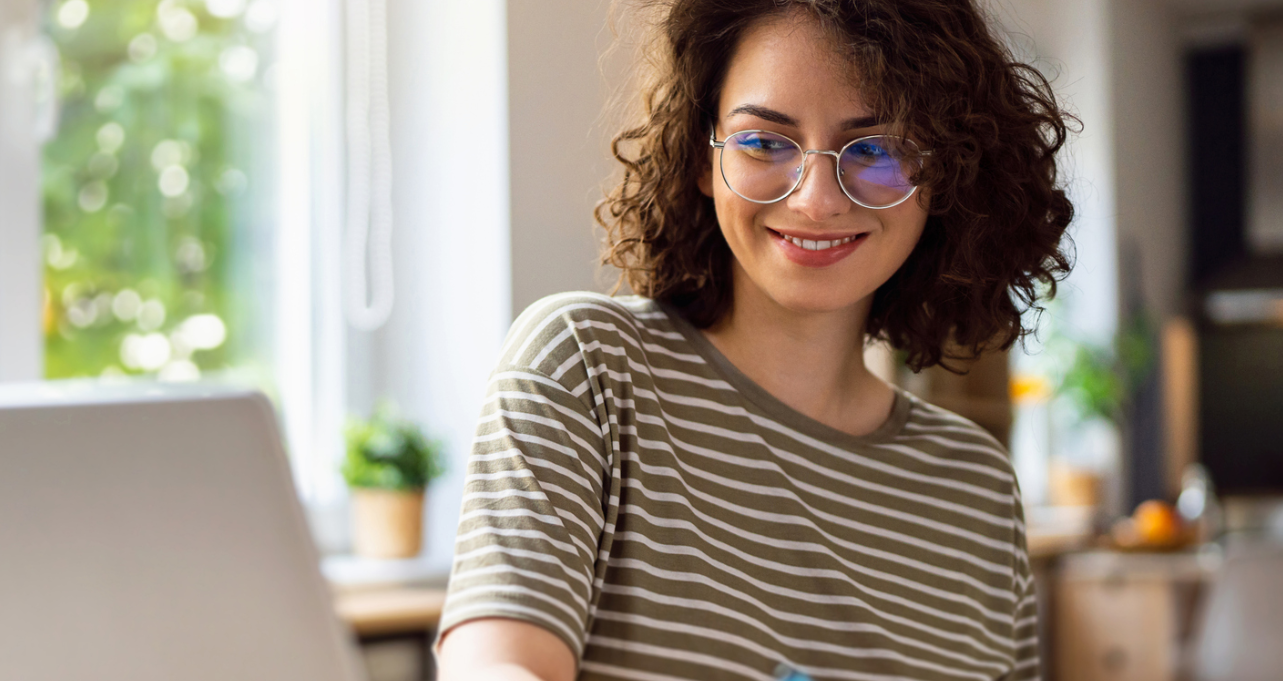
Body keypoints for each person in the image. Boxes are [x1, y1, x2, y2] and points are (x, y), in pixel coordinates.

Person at [436, 0, 1073, 678]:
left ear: (945, 178)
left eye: (877, 149)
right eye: (766, 142)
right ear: (702, 159)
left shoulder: (977, 489)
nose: (816, 199)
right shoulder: (585, 370)